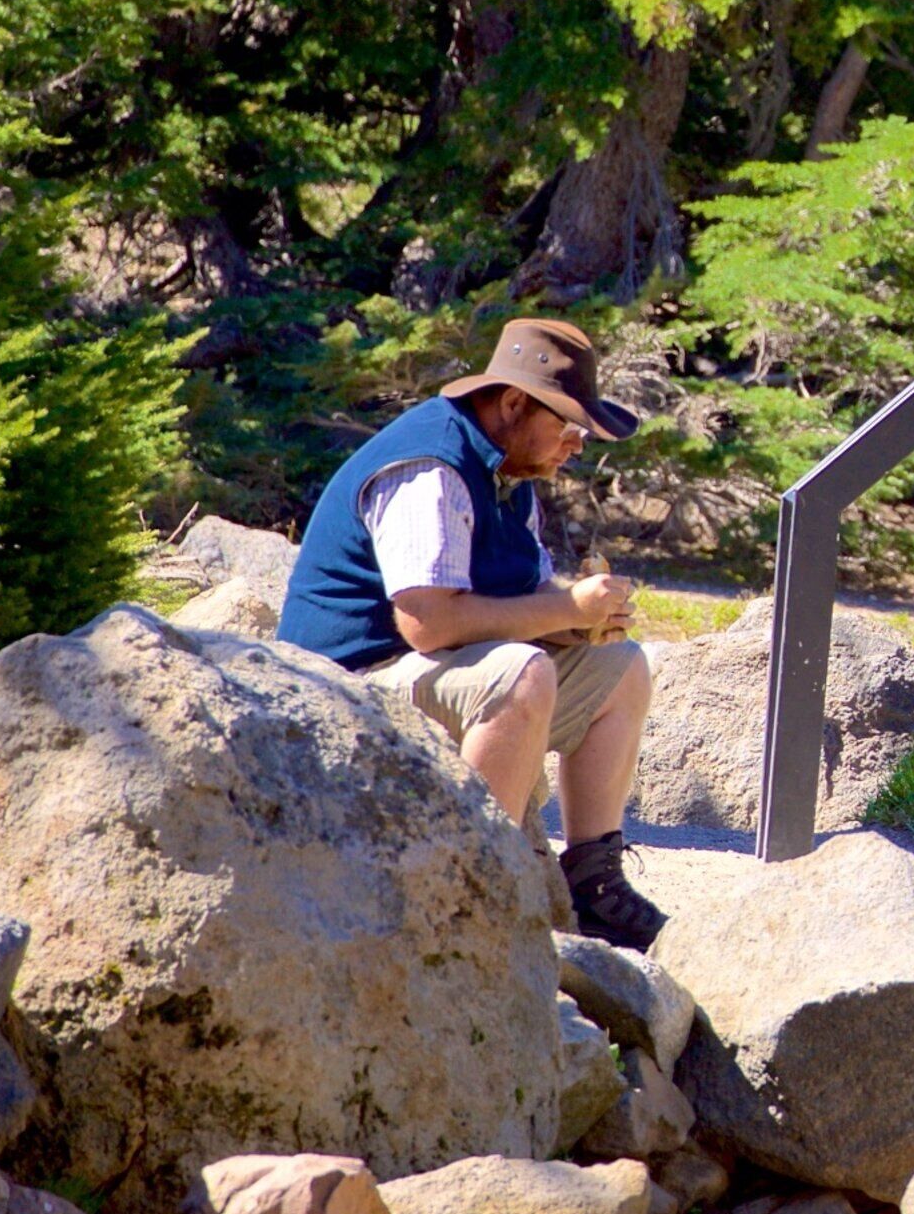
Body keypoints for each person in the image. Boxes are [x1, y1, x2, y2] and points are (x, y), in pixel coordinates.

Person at [277, 317, 669, 949]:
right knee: (519, 674)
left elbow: (517, 602)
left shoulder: (511, 470)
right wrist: (566, 607)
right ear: (514, 403)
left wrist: (580, 623)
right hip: (341, 691)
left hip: (423, 673)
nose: (576, 445)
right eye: (569, 427)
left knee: (620, 667)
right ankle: (469, 890)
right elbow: (429, 622)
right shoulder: (431, 465)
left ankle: (594, 888)